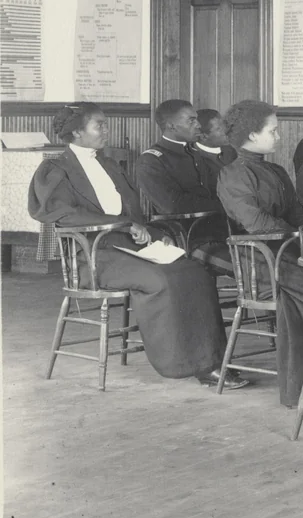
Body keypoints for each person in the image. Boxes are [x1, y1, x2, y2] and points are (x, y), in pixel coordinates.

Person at [29, 103, 245, 389]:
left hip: (129, 246)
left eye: (106, 123)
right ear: (77, 132)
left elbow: (133, 215)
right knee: (162, 278)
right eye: (99, 125)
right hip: (93, 255)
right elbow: (59, 212)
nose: (106, 130)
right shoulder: (55, 168)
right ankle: (185, 364)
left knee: (195, 271)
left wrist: (153, 232)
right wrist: (120, 225)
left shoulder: (108, 165)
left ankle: (214, 360)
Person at [216, 99, 303, 407]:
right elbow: (257, 224)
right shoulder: (233, 175)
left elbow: (298, 216)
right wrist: (298, 236)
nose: (279, 136)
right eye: (273, 131)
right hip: (259, 258)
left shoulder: (275, 169)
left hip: (287, 250)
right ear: (252, 134)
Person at [135, 99, 232, 274]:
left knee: (269, 261)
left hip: (219, 233)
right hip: (186, 239)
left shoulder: (195, 154)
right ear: (171, 126)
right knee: (256, 268)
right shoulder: (152, 160)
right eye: (191, 120)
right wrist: (222, 206)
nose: (198, 126)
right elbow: (172, 206)